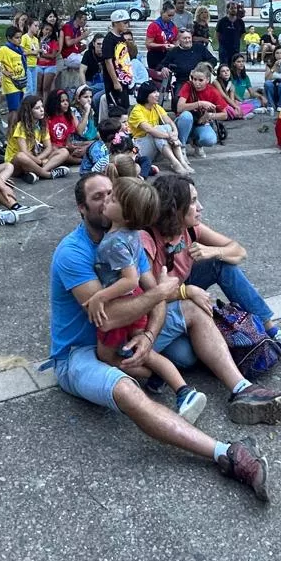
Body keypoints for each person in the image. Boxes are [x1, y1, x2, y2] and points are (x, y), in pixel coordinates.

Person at [47, 173, 281, 502]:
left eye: (111, 194)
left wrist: (151, 333)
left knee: (191, 314)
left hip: (131, 333)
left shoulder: (127, 239)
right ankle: (227, 453)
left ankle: (243, 390)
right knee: (127, 389)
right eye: (98, 197)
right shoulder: (73, 253)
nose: (107, 200)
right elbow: (108, 318)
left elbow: (155, 294)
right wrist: (165, 294)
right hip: (81, 353)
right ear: (81, 208)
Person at [148, 173, 281, 365]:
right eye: (193, 202)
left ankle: (272, 331)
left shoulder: (192, 229)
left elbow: (239, 251)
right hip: (158, 306)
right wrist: (187, 292)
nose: (200, 207)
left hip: (182, 287)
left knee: (222, 263)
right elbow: (149, 295)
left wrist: (213, 251)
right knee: (188, 359)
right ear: (175, 209)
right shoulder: (148, 239)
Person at [84, 175, 208, 418]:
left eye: (113, 198)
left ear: (127, 215)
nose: (106, 200)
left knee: (106, 355)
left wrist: (100, 297)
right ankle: (181, 389)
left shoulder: (114, 243)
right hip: (139, 301)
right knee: (144, 351)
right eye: (107, 195)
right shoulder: (132, 234)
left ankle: (158, 379)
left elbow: (129, 279)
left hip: (123, 303)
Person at [128, 80, 194, 176]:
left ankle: (182, 162)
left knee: (166, 127)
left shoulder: (156, 107)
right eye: (154, 92)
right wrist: (169, 136)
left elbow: (169, 121)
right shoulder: (137, 110)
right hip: (141, 149)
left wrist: (175, 133)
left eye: (157, 91)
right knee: (158, 129)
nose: (157, 94)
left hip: (156, 147)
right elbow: (149, 130)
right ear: (146, 95)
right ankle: (175, 163)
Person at [6, 94, 72, 181]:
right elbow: (24, 151)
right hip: (16, 164)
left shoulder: (42, 124)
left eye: (42, 107)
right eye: (37, 108)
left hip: (34, 159)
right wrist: (39, 162)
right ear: (29, 111)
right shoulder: (21, 126)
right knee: (20, 156)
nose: (42, 110)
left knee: (64, 152)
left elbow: (48, 147)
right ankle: (47, 174)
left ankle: (37, 173)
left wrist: (38, 159)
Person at [174, 64, 228, 156]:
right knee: (187, 116)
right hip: (183, 122)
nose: (196, 83)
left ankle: (196, 144)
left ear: (207, 80)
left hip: (200, 123)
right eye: (194, 79)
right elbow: (179, 107)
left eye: (200, 80)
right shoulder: (188, 86)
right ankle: (181, 148)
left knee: (210, 139)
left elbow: (225, 115)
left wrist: (210, 116)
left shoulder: (212, 91)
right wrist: (200, 103)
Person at [99, 12, 136, 115]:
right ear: (116, 23)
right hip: (114, 81)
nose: (127, 25)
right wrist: (115, 82)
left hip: (124, 79)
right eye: (124, 22)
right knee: (116, 111)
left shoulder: (121, 38)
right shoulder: (109, 39)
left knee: (125, 109)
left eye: (127, 22)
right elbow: (108, 61)